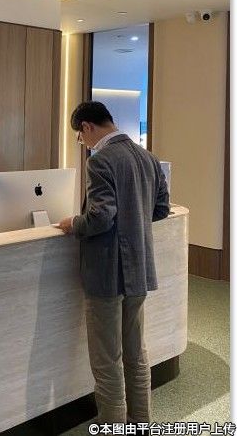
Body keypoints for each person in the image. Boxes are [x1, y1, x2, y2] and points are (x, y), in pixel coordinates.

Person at [56, 101, 169, 424]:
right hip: (139, 271)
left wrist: (73, 223)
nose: (83, 143)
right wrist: (133, 222)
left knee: (107, 361)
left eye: (80, 137)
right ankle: (141, 423)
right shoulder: (148, 158)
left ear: (87, 127)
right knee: (136, 354)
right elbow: (161, 209)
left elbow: (100, 217)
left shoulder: (100, 161)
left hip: (107, 273)